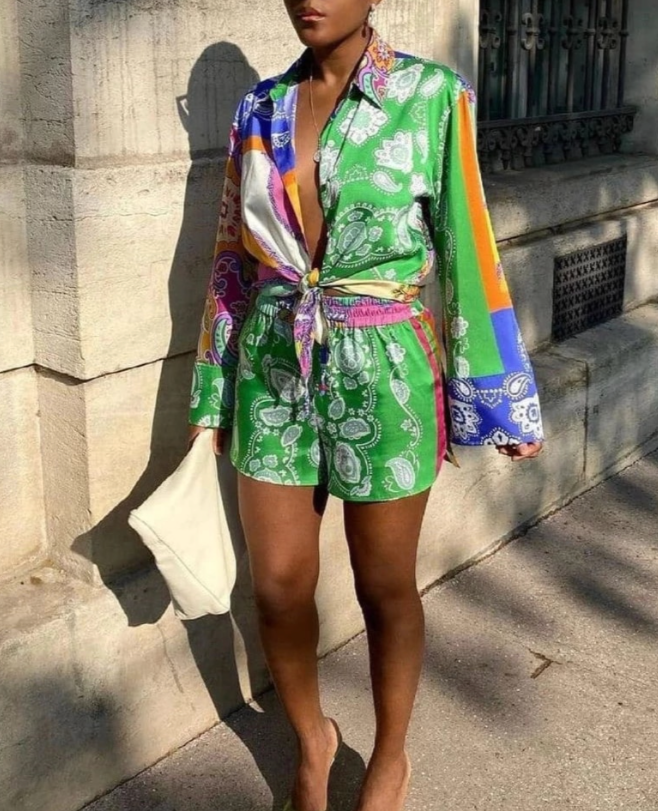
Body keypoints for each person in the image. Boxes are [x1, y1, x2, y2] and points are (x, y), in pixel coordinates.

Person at [188, 1, 544, 809]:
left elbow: (467, 242)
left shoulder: (431, 97)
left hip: (385, 369)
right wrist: (213, 390)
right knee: (277, 586)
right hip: (273, 365)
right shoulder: (261, 107)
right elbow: (231, 256)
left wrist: (499, 397)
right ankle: (313, 739)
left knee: (385, 585)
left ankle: (389, 757)